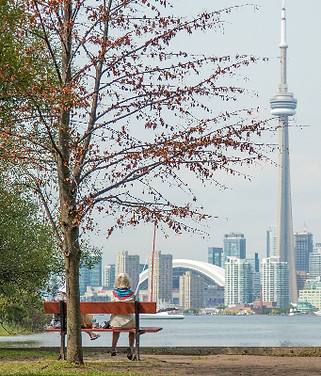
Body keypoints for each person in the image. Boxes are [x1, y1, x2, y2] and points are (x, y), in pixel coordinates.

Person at [110, 273, 136, 360]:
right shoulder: (132, 294)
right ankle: (131, 347)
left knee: (116, 327)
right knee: (132, 331)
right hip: (129, 323)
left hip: (116, 323)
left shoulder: (113, 294)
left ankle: (113, 348)